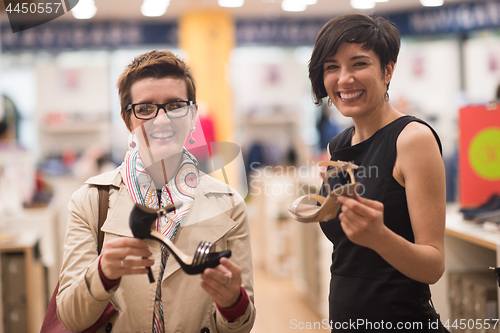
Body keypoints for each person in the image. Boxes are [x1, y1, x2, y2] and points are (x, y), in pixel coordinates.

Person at [56, 50, 256, 333]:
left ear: (193, 115)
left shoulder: (228, 205)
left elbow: (241, 326)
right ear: (128, 120)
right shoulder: (90, 201)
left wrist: (233, 302)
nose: (161, 120)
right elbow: (70, 317)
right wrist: (102, 274)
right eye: (146, 109)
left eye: (175, 106)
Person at [308, 14, 447, 332]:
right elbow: (350, 254)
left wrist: (380, 237)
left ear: (387, 70)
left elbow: (433, 265)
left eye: (358, 64)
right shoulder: (338, 146)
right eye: (332, 67)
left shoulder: (412, 139)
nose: (344, 79)